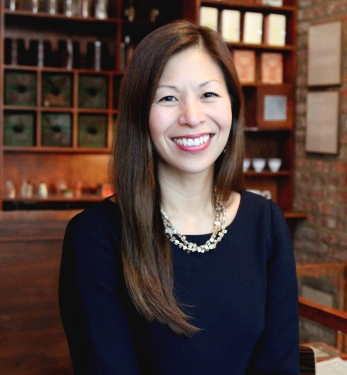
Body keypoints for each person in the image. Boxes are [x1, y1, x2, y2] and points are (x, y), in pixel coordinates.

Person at [58, 20, 300, 374]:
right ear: (141, 113)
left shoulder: (265, 222)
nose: (192, 117)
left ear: (232, 105)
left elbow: (279, 366)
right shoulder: (95, 236)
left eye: (208, 95)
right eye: (168, 97)